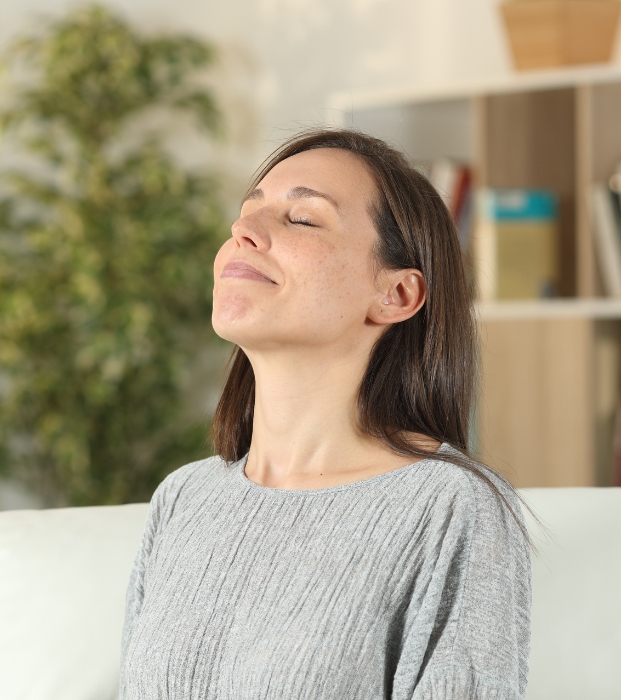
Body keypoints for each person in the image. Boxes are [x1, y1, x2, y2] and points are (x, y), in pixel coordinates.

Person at [119, 129, 536, 700]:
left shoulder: (449, 509)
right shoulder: (184, 498)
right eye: (248, 212)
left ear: (396, 295)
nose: (244, 232)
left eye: (303, 219)